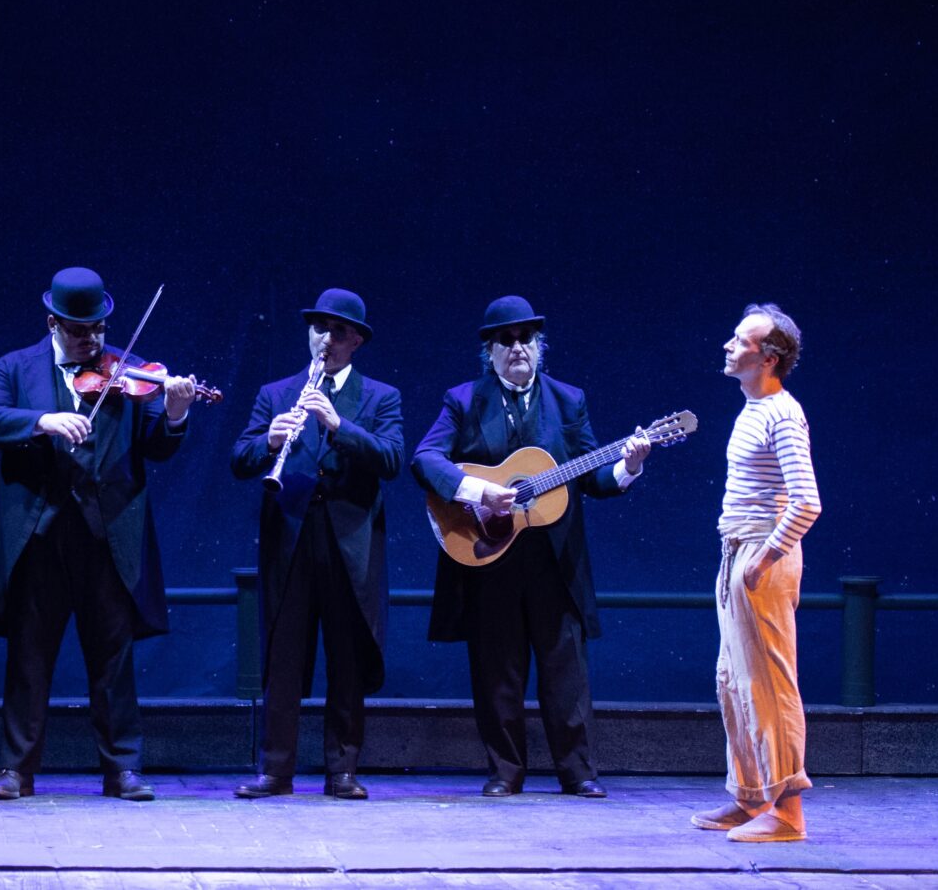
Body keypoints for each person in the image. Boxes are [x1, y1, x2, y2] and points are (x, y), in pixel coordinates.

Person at [0, 267, 196, 802]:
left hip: (106, 534)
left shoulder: (132, 371)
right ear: (52, 322)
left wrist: (177, 413)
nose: (92, 340)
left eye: (97, 327)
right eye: (78, 330)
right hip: (37, 536)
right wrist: (43, 421)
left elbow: (157, 448)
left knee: (112, 657)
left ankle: (122, 768)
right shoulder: (14, 367)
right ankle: (15, 768)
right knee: (28, 656)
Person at [410, 295, 649, 798]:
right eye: (506, 339)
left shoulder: (568, 400)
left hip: (555, 562)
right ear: (490, 350)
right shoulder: (463, 400)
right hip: (489, 555)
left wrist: (629, 465)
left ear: (539, 347)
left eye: (527, 338)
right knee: (498, 668)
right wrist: (479, 491)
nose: (517, 347)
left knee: (567, 670)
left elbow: (594, 477)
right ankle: (505, 771)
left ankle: (578, 772)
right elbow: (426, 457)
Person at [230, 289, 402, 800]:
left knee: (346, 655)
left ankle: (342, 770)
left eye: (336, 331)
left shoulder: (379, 397)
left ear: (355, 341)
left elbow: (391, 459)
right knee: (283, 653)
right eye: (318, 328)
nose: (324, 339)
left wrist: (337, 424)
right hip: (290, 538)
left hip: (350, 542)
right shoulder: (275, 393)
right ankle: (276, 770)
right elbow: (240, 458)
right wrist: (270, 442)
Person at [692, 304, 820, 843]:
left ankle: (788, 813)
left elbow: (807, 502)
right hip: (736, 551)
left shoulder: (781, 414)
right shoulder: (752, 409)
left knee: (769, 685)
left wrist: (763, 559)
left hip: (759, 558)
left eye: (740, 340)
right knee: (733, 682)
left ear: (768, 357)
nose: (728, 345)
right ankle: (749, 798)